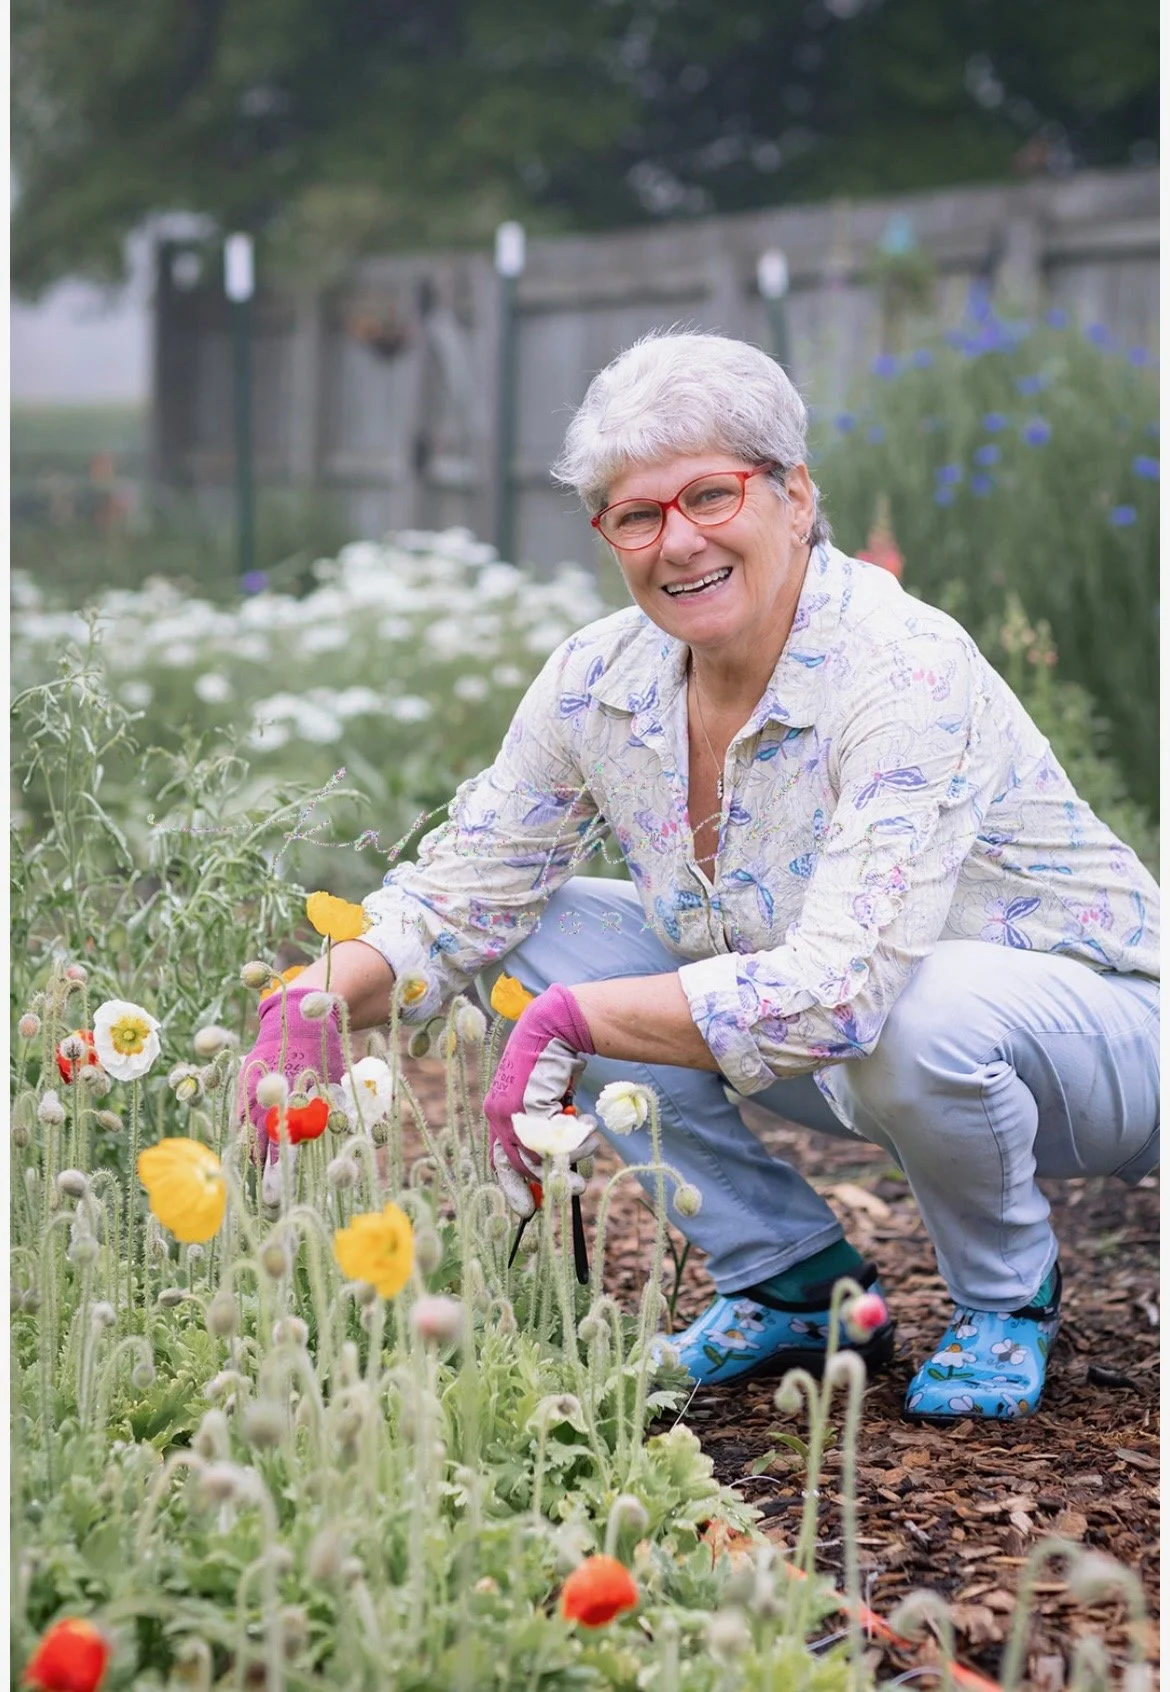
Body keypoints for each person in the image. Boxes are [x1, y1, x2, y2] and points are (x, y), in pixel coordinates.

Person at [242, 331, 1159, 1423]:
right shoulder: (598, 678)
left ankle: (1008, 1298)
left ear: (795, 496)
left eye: (711, 497)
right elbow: (465, 892)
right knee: (540, 931)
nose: (677, 544)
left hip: (1092, 1039)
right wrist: (318, 997)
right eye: (638, 515)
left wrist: (577, 1024)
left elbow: (846, 987)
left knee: (917, 1012)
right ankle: (791, 1282)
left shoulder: (904, 668)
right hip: (838, 1041)